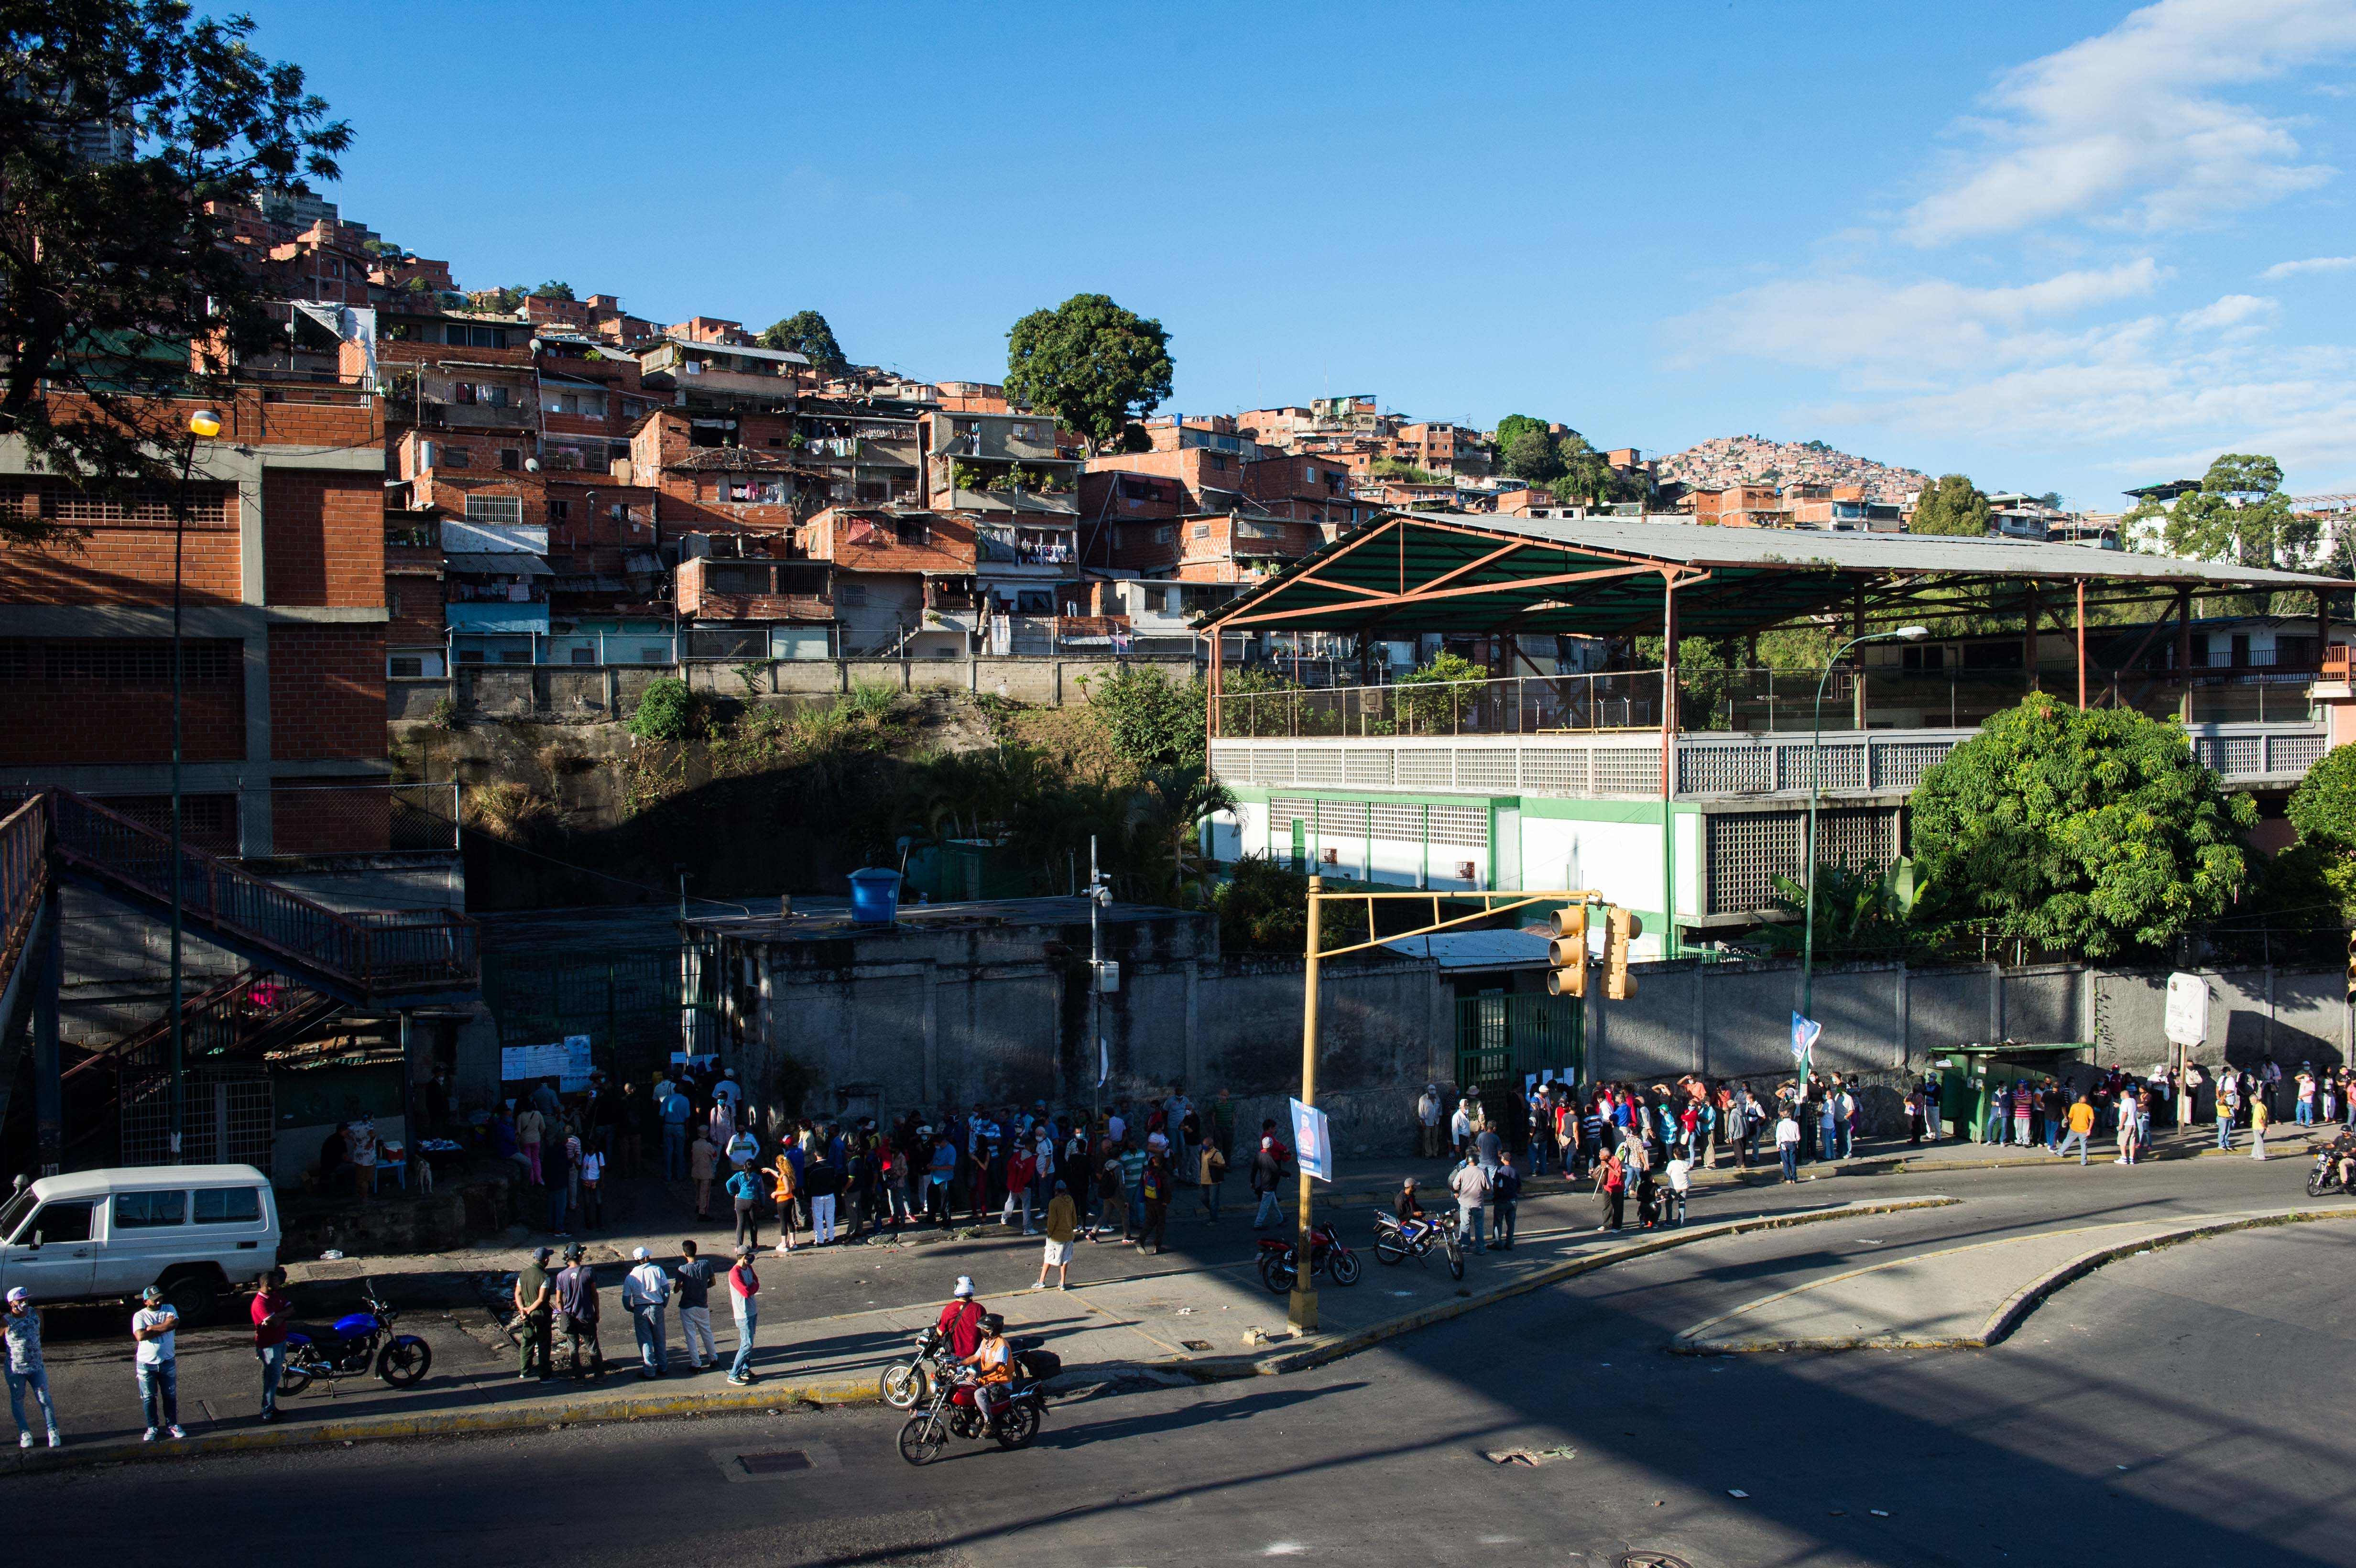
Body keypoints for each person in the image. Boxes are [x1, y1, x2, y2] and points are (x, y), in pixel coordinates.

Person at [5, 1286, 59, 1448]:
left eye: (26, 1299)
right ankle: (25, 1432)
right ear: (11, 1303)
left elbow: (40, 1333)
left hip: (37, 1367)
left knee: (44, 1399)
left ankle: (53, 1430)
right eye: (20, 1300)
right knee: (18, 1399)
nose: (24, 1302)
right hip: (16, 1369)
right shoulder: (5, 1321)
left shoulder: (37, 1314)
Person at [131, 1284, 183, 1441]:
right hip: (146, 1363)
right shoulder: (139, 1316)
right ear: (146, 1302)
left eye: (160, 1298)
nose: (159, 1302)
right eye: (155, 1300)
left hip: (167, 1361)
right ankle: (152, 1426)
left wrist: (152, 1328)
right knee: (149, 1397)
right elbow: (140, 1336)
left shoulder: (169, 1308)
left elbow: (173, 1324)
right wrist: (164, 1327)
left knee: (170, 1395)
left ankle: (172, 1424)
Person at [554, 1242, 603, 1381]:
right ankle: (599, 1376)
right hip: (586, 1316)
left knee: (573, 1349)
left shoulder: (561, 1276)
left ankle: (579, 1378)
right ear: (580, 1255)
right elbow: (594, 1294)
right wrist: (597, 1311)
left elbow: (558, 1300)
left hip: (570, 1317)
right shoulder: (589, 1272)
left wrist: (563, 1312)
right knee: (592, 1347)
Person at [250, 1267, 293, 1423]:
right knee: (272, 1378)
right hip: (269, 1346)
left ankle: (271, 1407)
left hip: (279, 1341)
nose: (279, 1284)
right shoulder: (260, 1303)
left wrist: (278, 1317)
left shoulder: (275, 1296)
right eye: (276, 1282)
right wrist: (280, 1317)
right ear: (268, 1284)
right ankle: (267, 1410)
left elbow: (290, 1309)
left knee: (274, 1377)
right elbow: (273, 1322)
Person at [621, 1246, 672, 1379]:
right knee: (660, 1338)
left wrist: (631, 1309)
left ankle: (649, 1371)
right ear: (645, 1258)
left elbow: (626, 1299)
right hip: (657, 1307)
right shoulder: (657, 1270)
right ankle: (663, 1367)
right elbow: (666, 1291)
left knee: (645, 1341)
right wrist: (664, 1304)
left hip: (640, 1309)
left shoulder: (631, 1276)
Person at [961, 1312, 1015, 1434]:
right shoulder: (986, 1342)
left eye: (985, 1329)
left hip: (1001, 1383)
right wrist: (959, 1364)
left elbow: (995, 1366)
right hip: (988, 1380)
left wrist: (980, 1373)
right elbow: (975, 1357)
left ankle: (989, 1423)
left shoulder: (1002, 1345)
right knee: (965, 1385)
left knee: (979, 1394)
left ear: (992, 1330)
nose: (982, 1331)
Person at [672, 1240, 717, 1372]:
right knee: (707, 1332)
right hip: (702, 1304)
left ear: (684, 1253)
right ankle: (713, 1359)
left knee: (691, 1336)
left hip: (687, 1306)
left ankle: (696, 1364)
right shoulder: (706, 1264)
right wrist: (703, 1287)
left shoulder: (682, 1269)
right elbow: (713, 1282)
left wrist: (682, 1288)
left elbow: (676, 1289)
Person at [513, 1245, 556, 1381]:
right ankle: (545, 1376)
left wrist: (522, 1309)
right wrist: (530, 1309)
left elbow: (518, 1294)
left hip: (526, 1314)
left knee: (527, 1342)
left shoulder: (523, 1273)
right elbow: (542, 1299)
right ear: (546, 1260)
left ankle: (524, 1371)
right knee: (544, 1344)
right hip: (541, 1314)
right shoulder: (544, 1277)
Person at [726, 1245, 761, 1384]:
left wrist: (753, 1287)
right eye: (751, 1256)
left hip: (752, 1311)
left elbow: (756, 1283)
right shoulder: (735, 1273)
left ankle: (745, 1370)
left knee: (749, 1343)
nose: (753, 1258)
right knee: (747, 1345)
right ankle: (734, 1374)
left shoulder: (749, 1268)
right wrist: (753, 1287)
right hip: (743, 1314)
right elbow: (746, 1292)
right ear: (745, 1257)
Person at [1037, 1181, 1078, 1290]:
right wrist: (1073, 1227)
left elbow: (1052, 1221)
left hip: (1056, 1237)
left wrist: (1050, 1234)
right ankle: (1063, 1283)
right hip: (1068, 1235)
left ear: (1055, 1190)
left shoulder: (1053, 1203)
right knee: (1065, 1260)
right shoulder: (1070, 1201)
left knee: (1048, 1258)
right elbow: (1074, 1216)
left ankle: (1041, 1281)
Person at [936, 1277, 986, 1360]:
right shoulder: (979, 1309)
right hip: (976, 1354)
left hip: (957, 1353)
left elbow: (941, 1332)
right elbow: (984, 1332)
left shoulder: (949, 1309)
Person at [1450, 1152, 1489, 1251]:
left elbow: (1455, 1186)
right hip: (1478, 1203)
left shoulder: (1462, 1172)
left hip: (1465, 1203)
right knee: (1479, 1226)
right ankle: (1481, 1248)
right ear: (1477, 1161)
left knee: (1465, 1225)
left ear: (1467, 1161)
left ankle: (1465, 1246)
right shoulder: (1482, 1172)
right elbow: (1489, 1188)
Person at [1137, 1148, 1172, 1254]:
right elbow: (1167, 1188)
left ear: (1153, 1160)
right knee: (1160, 1223)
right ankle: (1158, 1245)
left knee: (1149, 1221)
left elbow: (1142, 1184)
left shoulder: (1147, 1171)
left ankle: (1141, 1239)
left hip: (1149, 1199)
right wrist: (1167, 1201)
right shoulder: (1163, 1173)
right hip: (1160, 1202)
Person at [1250, 1130, 1284, 1230]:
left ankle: (1280, 1219)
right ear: (1271, 1146)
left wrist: (1252, 1182)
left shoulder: (1259, 1155)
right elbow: (1276, 1170)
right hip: (1269, 1184)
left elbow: (1254, 1169)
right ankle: (1258, 1224)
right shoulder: (1269, 1157)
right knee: (1264, 1206)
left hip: (1264, 1183)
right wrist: (1286, 1174)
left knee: (1274, 1204)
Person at [661, 1081, 693, 1180]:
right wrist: (687, 1131)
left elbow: (661, 1115)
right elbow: (687, 1117)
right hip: (680, 1127)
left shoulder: (667, 1099)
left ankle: (668, 1175)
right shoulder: (685, 1100)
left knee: (668, 1151)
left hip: (668, 1125)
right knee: (680, 1151)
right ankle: (680, 1175)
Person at [1490, 1151, 1521, 1250]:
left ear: (1503, 1160)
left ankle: (1498, 1243)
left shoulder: (1500, 1170)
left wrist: (1496, 1193)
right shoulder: (1515, 1171)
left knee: (1498, 1222)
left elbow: (1495, 1184)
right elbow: (1519, 1187)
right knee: (1511, 1222)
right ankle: (1510, 1243)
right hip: (1513, 1200)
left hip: (1501, 1199)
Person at [1594, 1144, 1627, 1232]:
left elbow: (1618, 1174)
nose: (1599, 1156)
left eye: (1601, 1155)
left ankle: (1617, 1226)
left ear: (1606, 1156)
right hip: (1607, 1186)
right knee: (1607, 1206)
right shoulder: (1603, 1160)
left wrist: (1609, 1167)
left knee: (1617, 1207)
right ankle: (1606, 1224)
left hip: (1617, 1187)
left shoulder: (1615, 1160)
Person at [1196, 1132, 1227, 1222]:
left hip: (1214, 1182)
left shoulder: (1217, 1154)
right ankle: (1214, 1212)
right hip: (1204, 1180)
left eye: (1205, 1145)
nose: (1203, 1147)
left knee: (1213, 1201)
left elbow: (1223, 1165)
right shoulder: (1203, 1152)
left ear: (1210, 1146)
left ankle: (1214, 1219)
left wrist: (1212, 1164)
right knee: (1203, 1198)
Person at [2057, 1094, 2096, 1165]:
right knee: (2084, 1146)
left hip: (2074, 1128)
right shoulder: (2089, 1108)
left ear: (2079, 1100)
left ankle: (2061, 1152)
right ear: (2086, 1102)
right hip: (2084, 1130)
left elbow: (2070, 1117)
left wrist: (2070, 1124)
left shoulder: (2074, 1106)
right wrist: (2089, 1129)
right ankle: (2084, 1162)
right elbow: (2092, 1119)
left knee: (2068, 1140)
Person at [689, 1128, 718, 1222]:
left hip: (695, 1171)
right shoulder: (708, 1146)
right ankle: (703, 1213)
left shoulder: (694, 1144)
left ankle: (698, 1206)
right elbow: (714, 1156)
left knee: (698, 1190)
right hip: (705, 1172)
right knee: (705, 1193)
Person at [1664, 1150, 1692, 1226]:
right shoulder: (1687, 1163)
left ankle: (1669, 1221)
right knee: (1682, 1204)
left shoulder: (1672, 1163)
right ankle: (1681, 1223)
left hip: (1675, 1187)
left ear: (1675, 1155)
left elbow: (1667, 1174)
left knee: (1669, 1203)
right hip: (1685, 1187)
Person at [1775, 1106, 1801, 1184]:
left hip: (1784, 1144)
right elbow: (1798, 1136)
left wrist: (1778, 1145)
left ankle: (1788, 1178)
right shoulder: (1795, 1124)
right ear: (1790, 1116)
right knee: (1793, 1161)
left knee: (1785, 1162)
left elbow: (1778, 1136)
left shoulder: (1780, 1124)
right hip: (1793, 1143)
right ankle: (1794, 1178)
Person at [1417, 1084, 1443, 1159]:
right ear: (1428, 1092)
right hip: (1427, 1122)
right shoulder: (1423, 1099)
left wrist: (1440, 1118)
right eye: (1431, 1093)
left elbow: (1440, 1109)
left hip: (1436, 1121)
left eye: (1433, 1093)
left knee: (1435, 1137)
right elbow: (1421, 1112)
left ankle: (1435, 1153)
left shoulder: (1437, 1098)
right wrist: (1423, 1122)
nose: (1432, 1095)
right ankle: (1428, 1153)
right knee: (1427, 1138)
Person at [2251, 1094, 2271, 1160]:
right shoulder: (2263, 1106)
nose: (2251, 1103)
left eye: (2251, 1101)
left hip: (2258, 1127)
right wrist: (2266, 1126)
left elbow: (2260, 1120)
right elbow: (2267, 1117)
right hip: (2262, 1127)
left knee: (2259, 1142)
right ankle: (2254, 1154)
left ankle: (2261, 1156)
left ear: (2254, 1100)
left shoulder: (2257, 1108)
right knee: (2257, 1140)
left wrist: (2266, 1127)